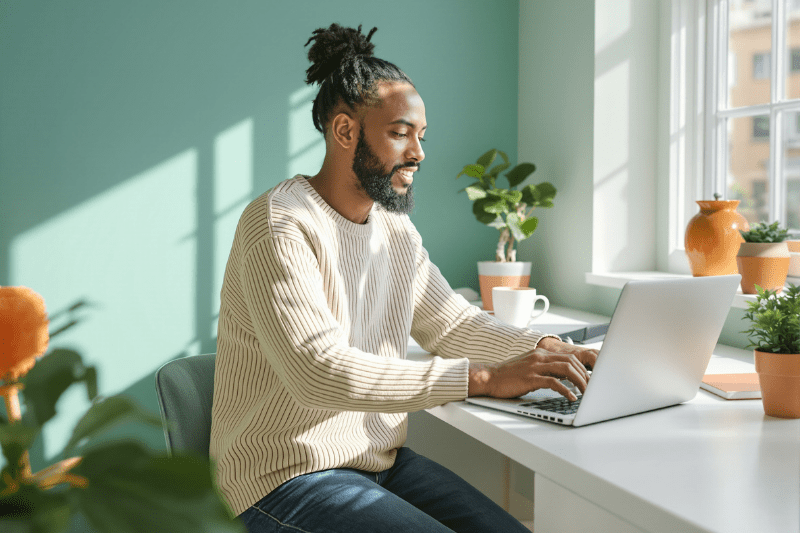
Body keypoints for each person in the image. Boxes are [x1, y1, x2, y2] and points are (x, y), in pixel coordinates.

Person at [210, 23, 598, 533]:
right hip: (280, 480)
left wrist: (546, 349)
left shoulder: (393, 228)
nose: (418, 153)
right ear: (345, 131)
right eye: (399, 133)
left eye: (420, 135)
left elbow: (451, 323)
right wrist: (483, 378)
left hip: (376, 463)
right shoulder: (279, 222)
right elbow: (318, 371)